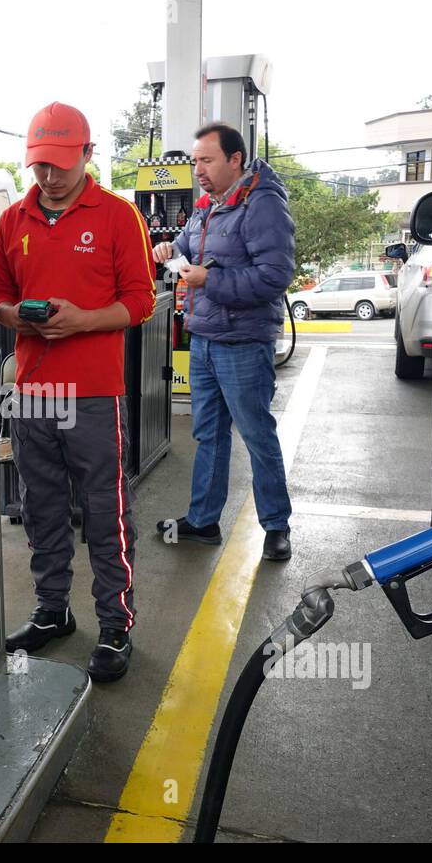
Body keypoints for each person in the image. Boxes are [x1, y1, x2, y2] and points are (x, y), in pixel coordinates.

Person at [0, 102, 156, 682]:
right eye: (39, 164)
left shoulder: (118, 216)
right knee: (41, 507)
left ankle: (115, 625)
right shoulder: (12, 221)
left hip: (94, 394)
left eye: (61, 163)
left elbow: (142, 300)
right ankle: (51, 610)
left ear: (87, 155)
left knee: (105, 511)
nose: (49, 176)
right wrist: (22, 319)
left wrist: (81, 320)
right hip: (34, 391)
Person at [154, 122, 295, 561]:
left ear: (235, 160)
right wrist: (167, 249)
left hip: (243, 343)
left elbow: (275, 277)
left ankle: (276, 528)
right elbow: (187, 244)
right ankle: (202, 521)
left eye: (207, 160)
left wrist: (209, 281)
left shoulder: (262, 206)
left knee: (256, 435)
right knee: (208, 435)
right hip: (205, 338)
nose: (198, 169)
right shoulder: (207, 206)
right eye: (196, 160)